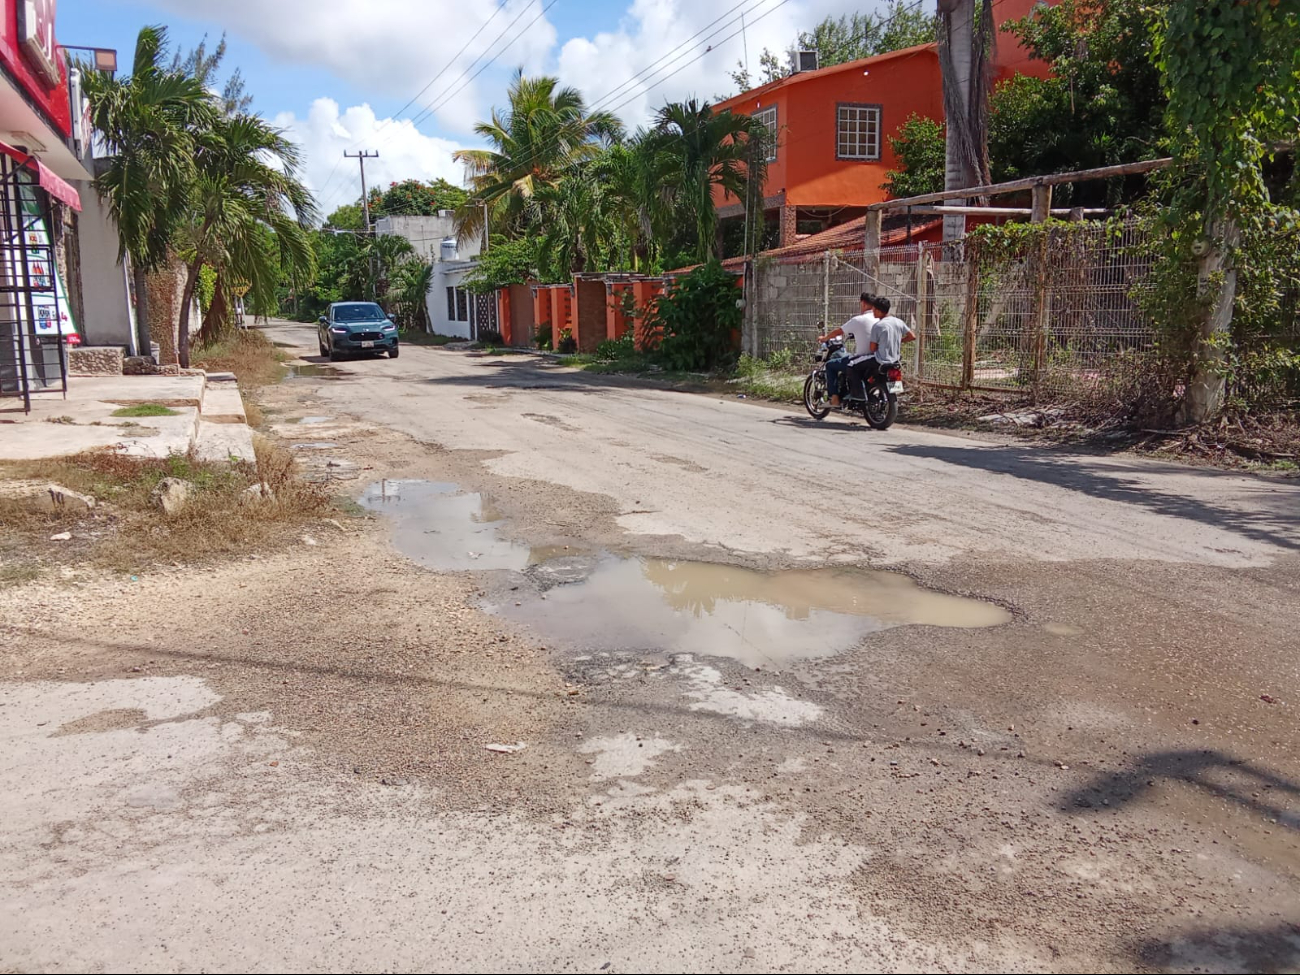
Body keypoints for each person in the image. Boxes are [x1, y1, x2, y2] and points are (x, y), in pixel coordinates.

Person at [847, 295, 916, 401]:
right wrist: (899, 341)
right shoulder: (898, 322)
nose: (872, 311)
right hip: (895, 360)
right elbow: (912, 336)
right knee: (893, 385)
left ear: (879, 311)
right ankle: (892, 395)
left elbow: (872, 348)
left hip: (880, 360)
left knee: (851, 364)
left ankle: (858, 394)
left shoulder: (878, 326)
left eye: (874, 309)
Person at [818, 293, 877, 407]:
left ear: (863, 303)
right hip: (879, 357)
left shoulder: (858, 320)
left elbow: (838, 331)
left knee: (830, 365)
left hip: (862, 358)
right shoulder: (881, 319)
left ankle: (834, 399)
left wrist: (824, 338)